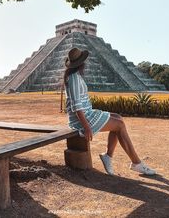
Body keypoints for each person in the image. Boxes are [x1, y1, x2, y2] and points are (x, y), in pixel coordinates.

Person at [64, 47, 156, 176]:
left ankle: (108, 156)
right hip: (81, 120)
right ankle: (136, 163)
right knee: (119, 125)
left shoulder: (76, 76)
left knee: (118, 118)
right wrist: (86, 127)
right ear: (81, 63)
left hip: (86, 113)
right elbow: (77, 106)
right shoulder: (74, 78)